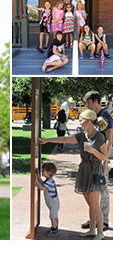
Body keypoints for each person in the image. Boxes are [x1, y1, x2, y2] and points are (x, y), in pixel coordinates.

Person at [41, 109, 109, 238]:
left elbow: (104, 157)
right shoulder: (81, 135)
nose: (79, 121)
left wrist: (93, 151)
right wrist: (47, 140)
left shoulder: (100, 137)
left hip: (95, 171)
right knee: (91, 204)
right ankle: (92, 231)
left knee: (95, 204)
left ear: (88, 121)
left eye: (81, 119)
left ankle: (100, 233)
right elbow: (65, 139)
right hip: (84, 170)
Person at [80, 91, 113, 232]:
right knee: (92, 190)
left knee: (102, 189)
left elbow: (109, 139)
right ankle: (94, 218)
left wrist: (105, 160)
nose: (86, 105)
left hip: (101, 158)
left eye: (88, 102)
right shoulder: (93, 116)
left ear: (95, 101)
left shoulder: (106, 116)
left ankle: (104, 221)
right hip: (92, 160)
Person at [36, 162, 60, 236]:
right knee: (54, 215)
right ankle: (55, 226)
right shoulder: (48, 180)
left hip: (53, 203)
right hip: (53, 203)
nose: (42, 171)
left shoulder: (49, 181)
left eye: (43, 170)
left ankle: (54, 229)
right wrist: (37, 177)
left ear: (48, 172)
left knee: (52, 216)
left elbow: (42, 188)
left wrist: (35, 181)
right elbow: (42, 183)